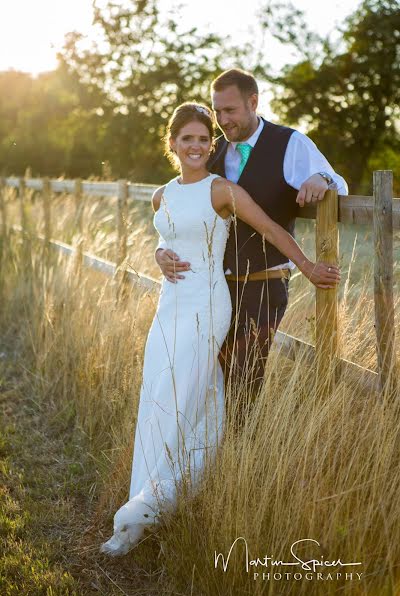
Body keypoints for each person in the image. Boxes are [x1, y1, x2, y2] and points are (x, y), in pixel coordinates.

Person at [99, 102, 340, 556]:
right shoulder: (162, 195)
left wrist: (308, 266)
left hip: (207, 305)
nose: (195, 146)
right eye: (186, 138)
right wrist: (158, 255)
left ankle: (147, 510)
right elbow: (167, 237)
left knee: (187, 395)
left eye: (202, 139)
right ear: (172, 144)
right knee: (158, 394)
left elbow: (269, 228)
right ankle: (147, 497)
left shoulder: (223, 191)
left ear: (211, 146)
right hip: (169, 305)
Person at [155, 69, 348, 396]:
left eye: (230, 110)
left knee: (244, 378)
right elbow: (184, 209)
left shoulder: (289, 143)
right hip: (213, 289)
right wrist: (161, 253)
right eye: (217, 111)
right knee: (209, 378)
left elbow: (336, 182)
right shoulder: (213, 150)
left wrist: (322, 180)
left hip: (263, 284)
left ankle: (239, 445)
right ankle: (213, 445)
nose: (222, 119)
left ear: (253, 102)